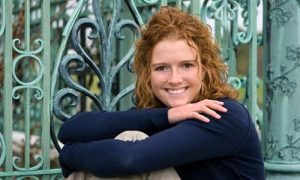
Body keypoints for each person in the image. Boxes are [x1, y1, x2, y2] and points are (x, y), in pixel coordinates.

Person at [58, 6, 265, 180]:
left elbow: (128, 159)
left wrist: (69, 154)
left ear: (204, 69)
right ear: (148, 73)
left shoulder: (223, 113)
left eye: (186, 65)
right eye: (161, 68)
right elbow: (69, 131)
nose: (175, 79)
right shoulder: (160, 113)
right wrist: (167, 115)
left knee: (131, 140)